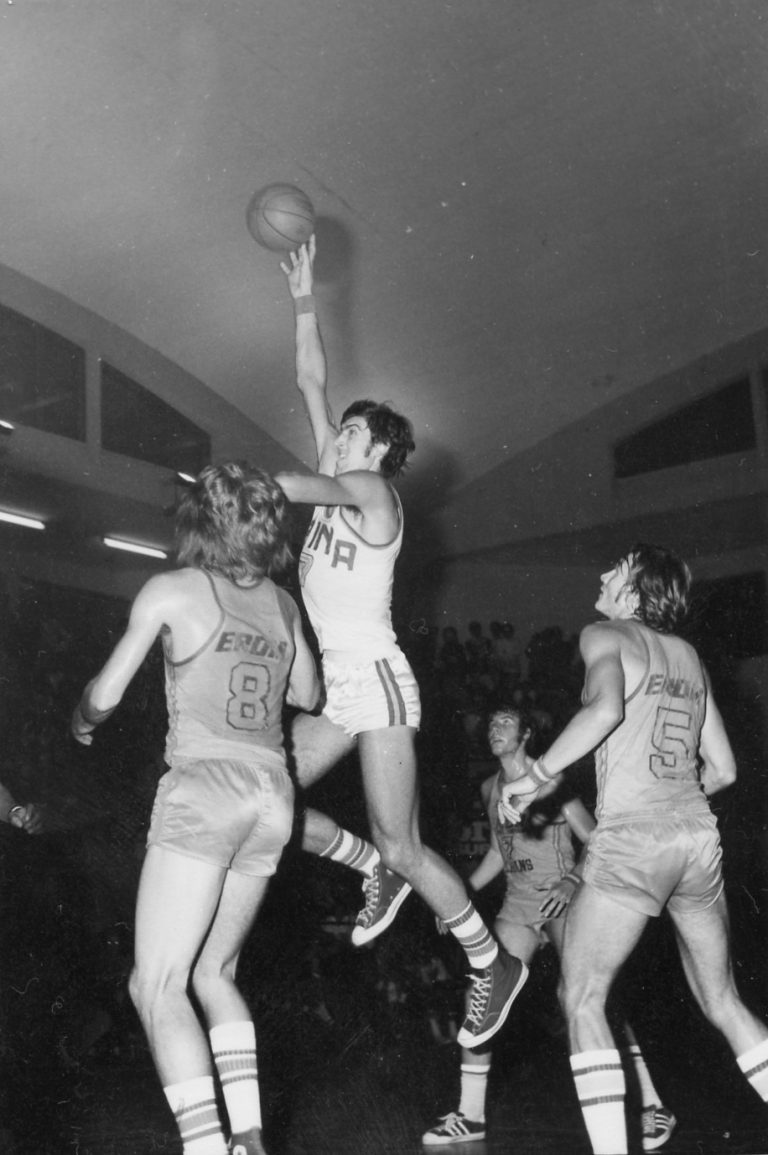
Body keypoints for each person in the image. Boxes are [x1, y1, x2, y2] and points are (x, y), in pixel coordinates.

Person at [273, 237, 527, 1049]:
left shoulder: (374, 492)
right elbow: (311, 378)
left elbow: (293, 483)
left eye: (349, 432)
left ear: (376, 448)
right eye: (341, 433)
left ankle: (492, 963)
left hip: (379, 682)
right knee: (261, 794)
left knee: (405, 842)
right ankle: (365, 866)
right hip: (343, 689)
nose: (337, 436)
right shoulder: (337, 477)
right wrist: (304, 297)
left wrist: (238, 485)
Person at [71, 462, 321, 1155]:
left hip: (206, 787)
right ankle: (249, 1134)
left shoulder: (173, 590)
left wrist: (81, 718)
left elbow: (105, 695)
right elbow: (307, 693)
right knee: (215, 973)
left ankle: (208, 1147)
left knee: (155, 984)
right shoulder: (283, 603)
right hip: (272, 795)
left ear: (202, 522)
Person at [499, 544, 768, 1154]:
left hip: (635, 838)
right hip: (696, 837)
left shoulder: (604, 634)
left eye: (615, 570)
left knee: (582, 998)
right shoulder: (689, 656)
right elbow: (723, 769)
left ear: (635, 591)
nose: (601, 574)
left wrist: (535, 776)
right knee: (724, 1001)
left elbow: (604, 711)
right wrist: (670, 797)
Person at [422, 705, 675, 1151]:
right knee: (481, 993)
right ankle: (470, 1114)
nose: (494, 728)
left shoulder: (551, 781)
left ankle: (653, 1105)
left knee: (590, 997)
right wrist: (459, 897)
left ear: (525, 734)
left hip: (563, 900)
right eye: (491, 723)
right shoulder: (489, 788)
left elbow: (596, 838)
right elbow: (499, 852)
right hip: (518, 904)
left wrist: (573, 879)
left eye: (505, 722)